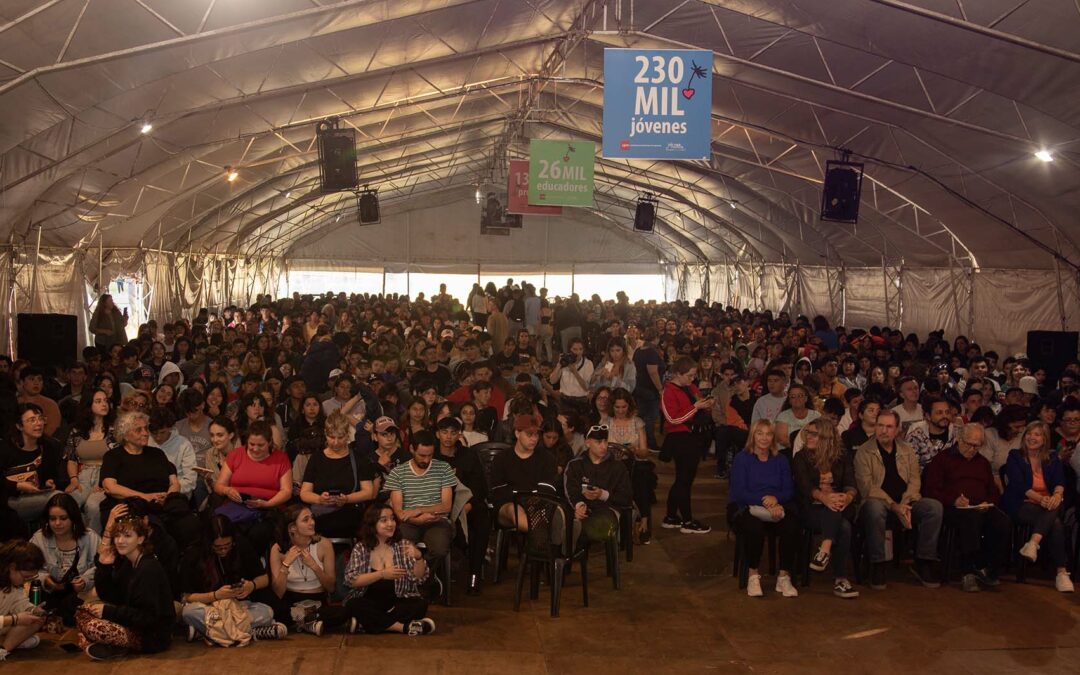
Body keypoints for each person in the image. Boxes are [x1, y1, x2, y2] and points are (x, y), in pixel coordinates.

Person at [854, 409, 943, 590]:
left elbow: (915, 480)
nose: (883, 431)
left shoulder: (906, 450)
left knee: (933, 507)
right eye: (880, 425)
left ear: (896, 430)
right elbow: (867, 488)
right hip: (879, 503)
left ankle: (924, 560)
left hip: (906, 503)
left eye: (889, 427)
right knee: (874, 507)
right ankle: (877, 564)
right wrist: (894, 506)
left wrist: (905, 504)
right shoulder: (864, 452)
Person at [78, 504, 175, 660]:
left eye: (127, 536)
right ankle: (113, 646)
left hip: (151, 635)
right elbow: (109, 596)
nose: (120, 541)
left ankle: (113, 645)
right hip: (133, 623)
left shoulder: (148, 568)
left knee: (93, 627)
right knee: (82, 612)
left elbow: (148, 618)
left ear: (140, 539)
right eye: (117, 536)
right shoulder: (128, 562)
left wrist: (108, 612)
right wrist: (104, 567)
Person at [921, 423, 1009, 592]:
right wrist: (953, 500)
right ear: (960, 439)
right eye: (970, 444)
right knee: (970, 520)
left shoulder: (982, 463)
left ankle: (987, 567)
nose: (973, 449)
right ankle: (967, 570)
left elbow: (993, 491)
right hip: (953, 508)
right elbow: (930, 490)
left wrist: (987, 502)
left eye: (977, 446)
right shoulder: (943, 459)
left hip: (980, 506)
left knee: (1002, 521)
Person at [179, 514, 287, 644]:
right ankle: (250, 631)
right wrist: (215, 595)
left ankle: (209, 632)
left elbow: (264, 578)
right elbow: (187, 596)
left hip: (240, 607)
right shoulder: (194, 553)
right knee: (188, 612)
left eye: (227, 545)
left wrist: (251, 586)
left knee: (267, 611)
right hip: (210, 608)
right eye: (217, 547)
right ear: (208, 543)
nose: (223, 550)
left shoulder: (241, 545)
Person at [728, 420, 801, 598]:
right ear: (752, 436)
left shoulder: (781, 459)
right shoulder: (742, 458)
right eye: (759, 433)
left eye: (768, 434)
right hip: (746, 506)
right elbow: (739, 492)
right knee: (753, 527)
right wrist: (766, 502)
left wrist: (776, 500)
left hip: (776, 505)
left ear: (773, 437)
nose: (764, 438)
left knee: (792, 525)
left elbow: (789, 490)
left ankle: (783, 576)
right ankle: (753, 574)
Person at [343, 504, 435, 636]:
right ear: (372, 524)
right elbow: (351, 580)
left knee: (420, 604)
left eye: (392, 519)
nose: (390, 524)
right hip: (369, 601)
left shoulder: (403, 545)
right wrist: (382, 574)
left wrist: (419, 557)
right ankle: (403, 627)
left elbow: (419, 578)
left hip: (397, 601)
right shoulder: (361, 548)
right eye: (384, 520)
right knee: (353, 604)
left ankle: (366, 624)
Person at [1002, 421, 1073, 592]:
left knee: (1055, 508)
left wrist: (1057, 495)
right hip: (1021, 503)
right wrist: (1042, 500)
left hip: (1047, 505)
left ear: (1045, 439)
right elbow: (1019, 486)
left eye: (1037, 434)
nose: (1032, 437)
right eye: (1029, 433)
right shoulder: (1015, 456)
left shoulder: (1052, 458)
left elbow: (1060, 481)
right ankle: (1061, 573)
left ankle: (1033, 543)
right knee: (1055, 522)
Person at [791, 419, 859, 599]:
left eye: (814, 434)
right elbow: (805, 487)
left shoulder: (842, 456)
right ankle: (840, 579)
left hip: (840, 505)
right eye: (808, 433)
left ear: (827, 438)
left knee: (836, 511)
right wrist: (824, 498)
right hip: (812, 508)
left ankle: (824, 551)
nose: (809, 437)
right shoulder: (801, 457)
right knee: (844, 527)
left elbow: (851, 483)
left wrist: (847, 497)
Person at [214, 420, 292, 552]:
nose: (255, 449)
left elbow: (286, 491)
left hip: (267, 509)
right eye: (252, 444)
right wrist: (228, 490)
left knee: (258, 532)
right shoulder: (236, 454)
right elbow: (219, 485)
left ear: (269, 442)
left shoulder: (281, 458)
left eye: (260, 445)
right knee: (225, 526)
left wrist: (267, 504)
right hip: (237, 505)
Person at [268, 505, 347, 635]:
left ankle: (301, 621)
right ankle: (308, 622)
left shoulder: (324, 544)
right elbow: (278, 592)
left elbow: (331, 587)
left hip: (317, 601)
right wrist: (286, 564)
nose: (312, 522)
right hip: (290, 601)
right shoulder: (277, 549)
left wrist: (314, 566)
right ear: (292, 527)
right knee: (273, 609)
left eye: (312, 518)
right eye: (306, 520)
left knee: (343, 612)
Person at [433, 416, 488, 595]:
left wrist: (468, 505)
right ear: (438, 434)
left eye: (453, 433)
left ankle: (474, 574)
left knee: (482, 517)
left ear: (459, 435)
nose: (448, 436)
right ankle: (439, 575)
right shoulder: (431, 455)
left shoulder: (468, 455)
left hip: (467, 504)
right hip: (438, 506)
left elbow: (480, 486)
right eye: (444, 432)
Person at [300, 411, 377, 538]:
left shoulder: (358, 458)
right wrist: (319, 499)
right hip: (321, 513)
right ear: (325, 434)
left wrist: (347, 499)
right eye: (331, 437)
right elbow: (304, 493)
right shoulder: (316, 459)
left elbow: (368, 492)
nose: (335, 442)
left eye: (340, 438)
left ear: (347, 435)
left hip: (350, 513)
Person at [385, 430, 457, 563]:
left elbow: (446, 506)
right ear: (412, 449)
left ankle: (424, 571)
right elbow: (399, 512)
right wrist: (416, 520)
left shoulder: (444, 468)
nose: (426, 460)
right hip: (408, 523)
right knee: (400, 549)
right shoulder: (398, 473)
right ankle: (419, 570)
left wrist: (419, 510)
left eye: (430, 455)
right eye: (422, 455)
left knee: (440, 549)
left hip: (436, 520)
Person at [660, 356, 713, 534]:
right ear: (677, 374)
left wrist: (706, 404)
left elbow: (698, 403)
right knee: (684, 480)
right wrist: (695, 407)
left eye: (693, 375)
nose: (692, 378)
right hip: (680, 438)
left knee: (684, 480)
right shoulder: (668, 391)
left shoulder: (690, 387)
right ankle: (687, 520)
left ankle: (671, 516)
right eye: (689, 375)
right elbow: (672, 419)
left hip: (694, 436)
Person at [29, 493, 100, 625]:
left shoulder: (90, 537)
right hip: (48, 593)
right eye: (52, 519)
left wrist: (85, 580)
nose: (57, 523)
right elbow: (28, 569)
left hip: (81, 593)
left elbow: (101, 568)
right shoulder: (39, 538)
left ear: (73, 518)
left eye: (63, 518)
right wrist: (45, 579)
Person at [562, 424, 632, 551]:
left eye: (605, 441)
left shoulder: (618, 467)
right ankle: (571, 551)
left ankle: (575, 547)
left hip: (608, 510)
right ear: (588, 443)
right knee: (567, 521)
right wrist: (579, 505)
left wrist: (602, 495)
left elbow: (626, 497)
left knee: (592, 524)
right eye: (598, 442)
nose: (604, 446)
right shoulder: (575, 465)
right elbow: (571, 490)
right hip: (583, 509)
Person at [490, 413, 559, 532]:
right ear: (517, 433)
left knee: (551, 510)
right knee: (514, 510)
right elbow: (499, 491)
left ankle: (542, 534)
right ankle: (542, 532)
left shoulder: (547, 458)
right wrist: (522, 499)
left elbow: (548, 489)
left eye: (536, 435)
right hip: (509, 505)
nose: (534, 439)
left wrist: (532, 503)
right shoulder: (501, 458)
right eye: (529, 434)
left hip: (539, 505)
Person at [2, 403, 66, 521]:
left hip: (37, 497)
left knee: (62, 500)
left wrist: (50, 482)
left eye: (40, 419)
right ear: (19, 426)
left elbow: (55, 476)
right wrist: (18, 486)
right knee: (58, 499)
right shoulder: (5, 448)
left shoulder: (49, 447)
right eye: (32, 420)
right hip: (9, 500)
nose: (39, 423)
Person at [0, 540, 47, 662]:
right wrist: (15, 619)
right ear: (12, 567)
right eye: (26, 577)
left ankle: (3, 648)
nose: (27, 581)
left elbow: (20, 602)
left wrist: (33, 610)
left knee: (35, 622)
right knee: (30, 638)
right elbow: (15, 617)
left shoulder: (13, 584)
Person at [149, 407, 198, 500]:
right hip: (150, 491)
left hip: (177, 493)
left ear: (170, 428)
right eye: (154, 433)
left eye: (162, 432)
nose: (158, 437)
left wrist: (172, 490)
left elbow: (190, 480)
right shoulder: (146, 441)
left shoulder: (183, 444)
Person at [631, 329, 665, 451]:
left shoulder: (638, 351)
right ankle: (650, 442)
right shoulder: (651, 352)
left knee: (642, 415)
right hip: (650, 389)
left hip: (639, 386)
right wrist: (660, 389)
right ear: (656, 338)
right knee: (650, 417)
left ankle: (640, 440)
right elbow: (653, 372)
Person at [905, 395, 959, 470]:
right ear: (928, 416)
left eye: (947, 412)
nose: (945, 416)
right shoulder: (915, 437)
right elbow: (911, 468)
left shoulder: (958, 434)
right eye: (939, 413)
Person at [549, 337, 594, 417]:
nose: (578, 352)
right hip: (565, 400)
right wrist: (559, 364)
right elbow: (552, 381)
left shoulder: (588, 364)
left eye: (580, 349)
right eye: (575, 349)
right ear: (569, 350)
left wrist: (575, 372)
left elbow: (586, 387)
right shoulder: (565, 362)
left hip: (581, 401)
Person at [773, 383, 820, 449]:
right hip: (788, 451)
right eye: (793, 397)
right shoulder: (783, 416)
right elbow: (782, 440)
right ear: (789, 400)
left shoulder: (816, 415)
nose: (797, 399)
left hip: (812, 450)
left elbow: (822, 436)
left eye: (800, 396)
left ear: (806, 398)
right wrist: (800, 448)